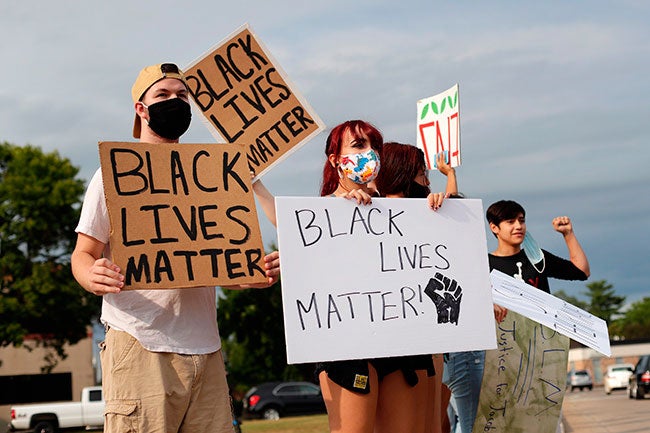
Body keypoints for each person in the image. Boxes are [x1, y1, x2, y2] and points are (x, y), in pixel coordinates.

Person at [71, 63, 280, 433]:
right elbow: (82, 254)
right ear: (141, 108)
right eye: (163, 95)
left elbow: (209, 263)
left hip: (207, 349)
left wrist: (248, 276)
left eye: (182, 96)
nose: (175, 102)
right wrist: (92, 275)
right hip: (140, 343)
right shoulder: (113, 174)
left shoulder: (212, 174)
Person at [316, 125, 446, 433]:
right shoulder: (320, 214)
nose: (369, 153)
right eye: (359, 145)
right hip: (348, 346)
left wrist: (434, 211)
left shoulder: (398, 210)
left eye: (374, 145)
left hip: (401, 342)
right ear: (336, 159)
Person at [444, 199, 590, 433]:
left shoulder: (537, 259)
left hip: (541, 359)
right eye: (510, 222)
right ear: (494, 228)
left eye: (521, 220)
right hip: (500, 362)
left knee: (542, 422)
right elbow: (463, 304)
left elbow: (581, 271)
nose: (518, 226)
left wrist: (568, 234)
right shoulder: (483, 265)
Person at [374, 142, 457, 433]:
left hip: (425, 341)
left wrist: (443, 203)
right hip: (383, 346)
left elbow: (457, 245)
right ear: (404, 172)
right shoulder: (365, 209)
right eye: (422, 172)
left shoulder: (427, 211)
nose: (427, 179)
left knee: (433, 423)